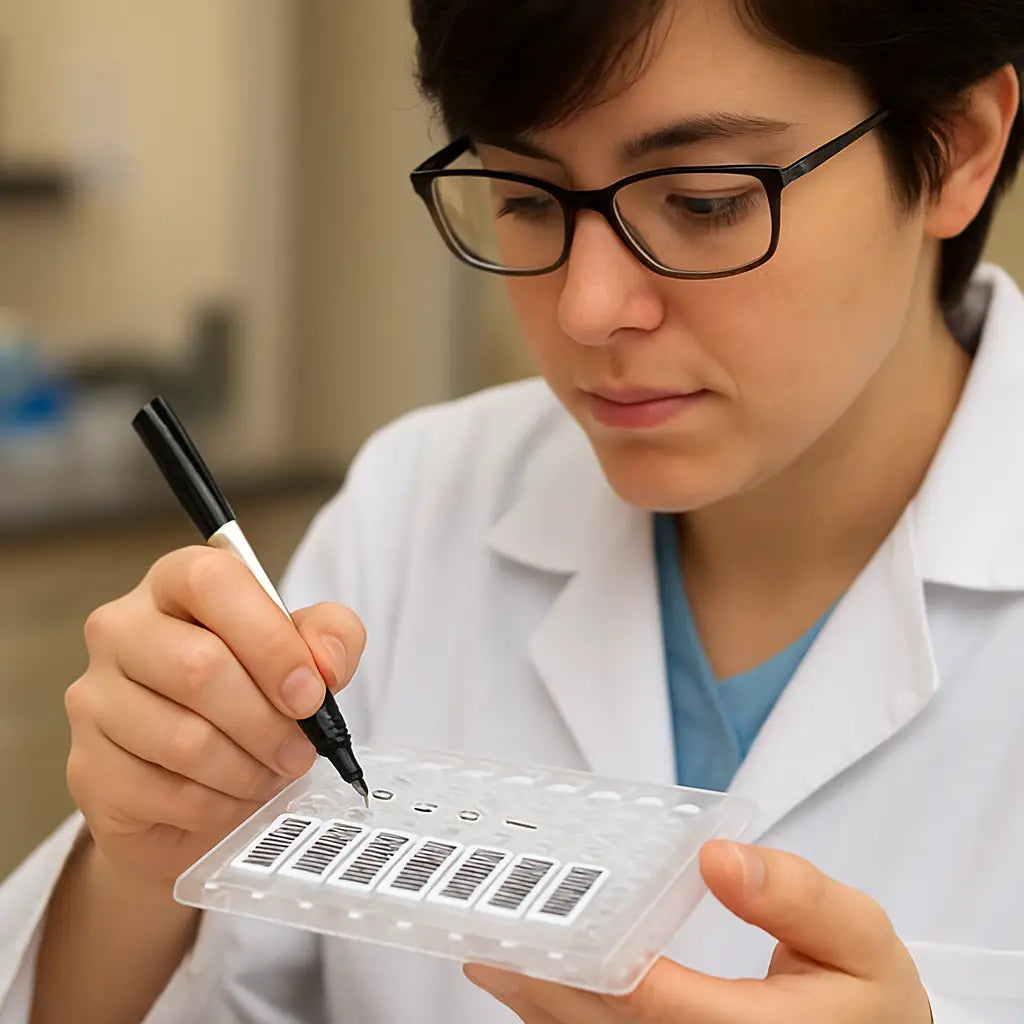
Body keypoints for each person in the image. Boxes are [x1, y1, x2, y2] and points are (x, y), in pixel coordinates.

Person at [2, 1, 1023, 1021]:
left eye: (703, 200)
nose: (587, 307)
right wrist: (140, 864)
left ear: (956, 148)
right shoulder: (419, 507)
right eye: (525, 195)